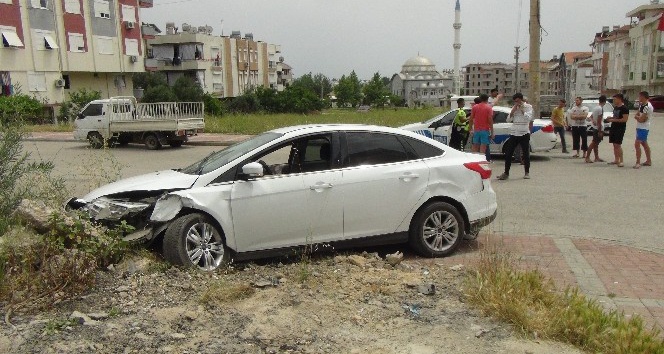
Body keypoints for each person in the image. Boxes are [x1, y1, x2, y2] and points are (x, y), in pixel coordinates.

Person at [497, 93, 534, 180]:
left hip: (524, 132)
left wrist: (521, 110)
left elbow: (528, 118)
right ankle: (506, 173)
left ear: (521, 100)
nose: (516, 103)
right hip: (514, 132)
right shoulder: (514, 107)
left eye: (518, 101)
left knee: (526, 153)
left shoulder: (528, 107)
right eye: (515, 101)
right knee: (509, 153)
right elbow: (508, 120)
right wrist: (513, 111)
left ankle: (527, 172)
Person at [605, 93, 630, 167]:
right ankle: (616, 159)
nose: (614, 101)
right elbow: (616, 116)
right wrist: (610, 118)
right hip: (613, 127)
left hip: (620, 128)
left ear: (619, 99)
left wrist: (612, 120)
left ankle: (621, 160)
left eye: (615, 99)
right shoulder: (616, 108)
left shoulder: (624, 108)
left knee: (617, 144)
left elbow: (624, 119)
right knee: (614, 144)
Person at [469, 94, 494, 159]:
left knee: (475, 147)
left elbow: (471, 119)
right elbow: (490, 120)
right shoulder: (488, 108)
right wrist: (492, 132)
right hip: (485, 130)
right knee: (483, 149)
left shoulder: (475, 107)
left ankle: (474, 161)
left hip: (476, 130)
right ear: (487, 99)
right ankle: (481, 162)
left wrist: (470, 129)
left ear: (480, 98)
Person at [633, 91, 653, 168]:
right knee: (644, 144)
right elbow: (637, 115)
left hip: (644, 127)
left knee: (637, 143)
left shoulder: (647, 106)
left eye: (640, 96)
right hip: (639, 127)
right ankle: (648, 160)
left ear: (643, 97)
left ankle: (638, 162)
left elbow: (641, 119)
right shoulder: (642, 105)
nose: (639, 98)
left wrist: (639, 118)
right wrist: (639, 118)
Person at [585, 95, 607, 163]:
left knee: (596, 143)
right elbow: (599, 121)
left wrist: (592, 120)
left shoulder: (596, 108)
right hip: (598, 128)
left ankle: (596, 157)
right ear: (605, 101)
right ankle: (587, 157)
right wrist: (600, 131)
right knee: (594, 143)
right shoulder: (600, 109)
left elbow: (591, 116)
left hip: (595, 127)